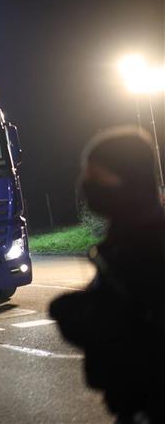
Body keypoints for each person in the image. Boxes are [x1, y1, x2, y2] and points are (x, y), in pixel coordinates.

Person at [50, 127, 165, 423]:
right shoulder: (123, 240)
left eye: (96, 177)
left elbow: (130, 328)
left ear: (128, 180)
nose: (85, 185)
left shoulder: (146, 245)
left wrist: (77, 314)